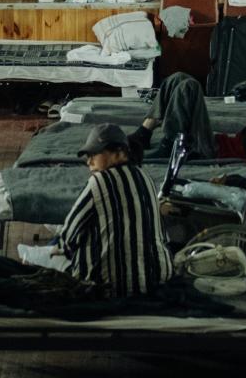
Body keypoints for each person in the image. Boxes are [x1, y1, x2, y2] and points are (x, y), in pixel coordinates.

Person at [56, 124, 171, 299]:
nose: (89, 162)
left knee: (56, 252)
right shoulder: (145, 177)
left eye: (94, 154)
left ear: (118, 153)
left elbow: (69, 236)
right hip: (156, 282)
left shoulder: (99, 182)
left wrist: (60, 249)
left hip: (111, 288)